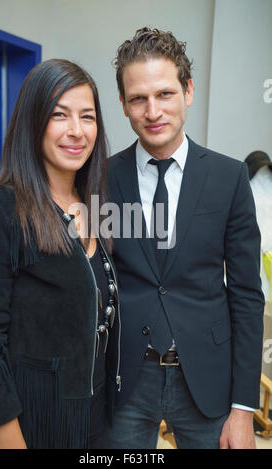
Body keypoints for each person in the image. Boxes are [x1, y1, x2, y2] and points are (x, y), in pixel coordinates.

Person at [105, 27, 264, 449]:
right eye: (138, 98)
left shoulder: (229, 178)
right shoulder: (101, 179)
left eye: (165, 94)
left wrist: (244, 408)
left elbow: (247, 295)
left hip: (207, 382)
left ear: (188, 90)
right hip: (124, 383)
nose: (152, 110)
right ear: (123, 104)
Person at [0, 59, 121, 449]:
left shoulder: (97, 209)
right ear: (33, 122)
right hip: (32, 428)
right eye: (59, 115)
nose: (76, 131)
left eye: (87, 117)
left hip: (95, 425)